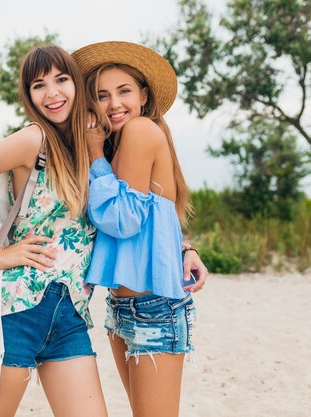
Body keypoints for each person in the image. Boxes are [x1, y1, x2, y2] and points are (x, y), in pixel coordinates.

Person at [0, 43, 207, 417]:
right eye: (39, 85)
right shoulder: (34, 139)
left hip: (72, 312)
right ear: (29, 96)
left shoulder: (96, 146)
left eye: (61, 80)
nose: (53, 92)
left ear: (76, 86)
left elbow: (143, 207)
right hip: (18, 308)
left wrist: (184, 248)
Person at [72, 41, 205, 417]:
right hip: (123, 306)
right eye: (102, 95)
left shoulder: (141, 131)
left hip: (154, 307)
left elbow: (122, 219)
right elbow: (158, 224)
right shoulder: (122, 143)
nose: (114, 103)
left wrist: (96, 152)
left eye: (124, 91)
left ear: (143, 96)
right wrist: (185, 248)